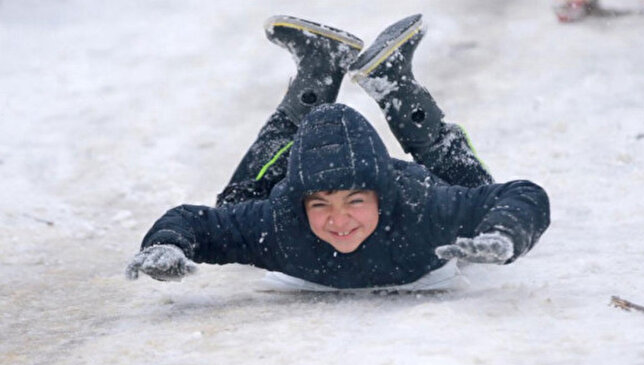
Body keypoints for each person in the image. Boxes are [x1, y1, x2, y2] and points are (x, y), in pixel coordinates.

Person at [125, 14, 551, 290]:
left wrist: (504, 234)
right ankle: (339, 74)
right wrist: (168, 244)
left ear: (382, 196)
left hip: (417, 194)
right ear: (298, 202)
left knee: (474, 189)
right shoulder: (276, 224)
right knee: (238, 205)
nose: (340, 219)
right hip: (294, 197)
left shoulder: (423, 209)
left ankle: (369, 80)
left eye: (356, 201)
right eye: (320, 204)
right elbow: (193, 222)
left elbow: (522, 195)